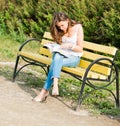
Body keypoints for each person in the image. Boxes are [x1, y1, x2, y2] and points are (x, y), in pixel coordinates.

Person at [33, 12, 84, 102]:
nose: (61, 28)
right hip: (62, 56)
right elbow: (60, 45)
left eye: (62, 25)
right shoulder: (60, 31)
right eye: (59, 26)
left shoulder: (78, 27)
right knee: (57, 56)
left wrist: (70, 46)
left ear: (67, 20)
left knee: (55, 63)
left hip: (74, 58)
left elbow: (80, 49)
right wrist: (53, 44)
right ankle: (55, 84)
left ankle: (44, 92)